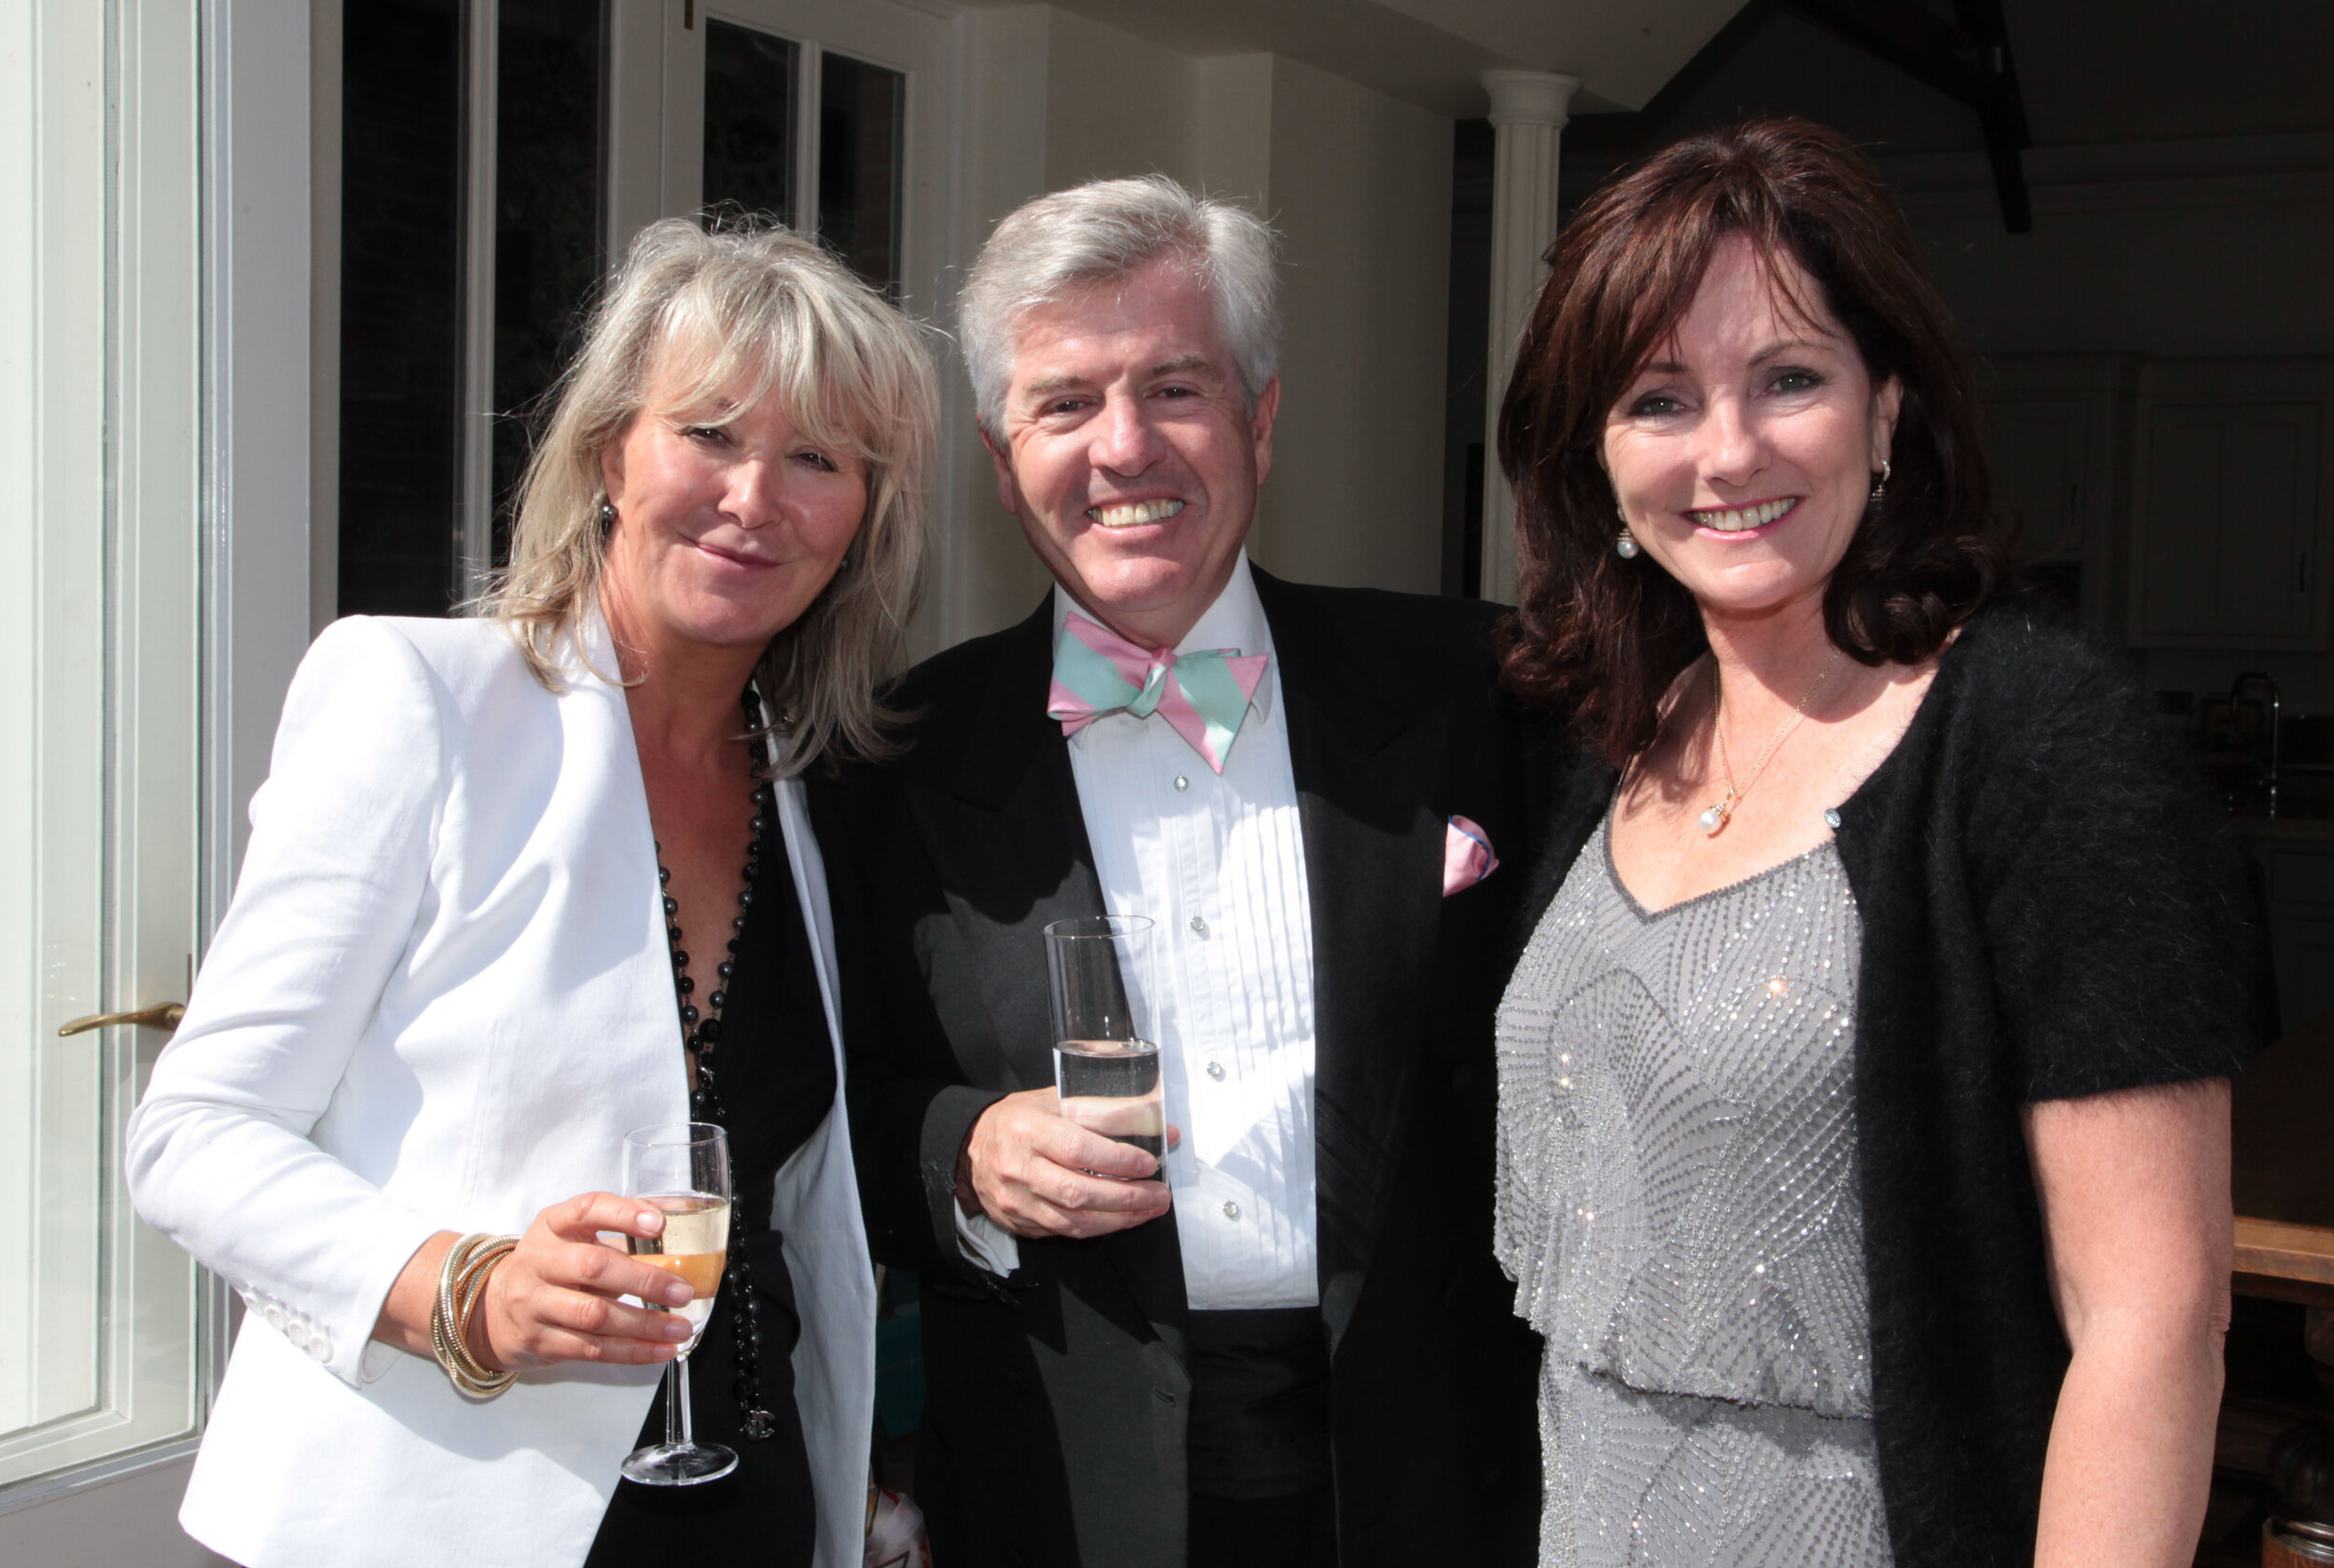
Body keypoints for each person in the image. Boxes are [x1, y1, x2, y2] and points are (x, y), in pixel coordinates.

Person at [1489, 118, 2264, 1568]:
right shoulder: (1607, 741)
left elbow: (2154, 1321)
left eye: (1789, 379)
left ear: (1888, 409)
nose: (1728, 453)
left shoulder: (2036, 746)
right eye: (1658, 400)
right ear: (1593, 457)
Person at [125, 217, 937, 1568]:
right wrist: (464, 1286)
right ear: (613, 449)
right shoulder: (423, 700)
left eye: (817, 458)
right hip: (431, 1507)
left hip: (748, 1510)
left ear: (863, 513)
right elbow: (195, 1135)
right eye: (712, 434)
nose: (756, 497)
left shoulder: (815, 792)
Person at [818, 175, 1547, 1568]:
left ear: (1262, 421)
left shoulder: (1482, 691)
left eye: (1176, 388)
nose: (1124, 446)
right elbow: (814, 1111)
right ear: (1000, 447)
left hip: (1430, 1484)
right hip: (1061, 1495)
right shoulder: (892, 760)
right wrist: (958, 1153)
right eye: (1066, 402)